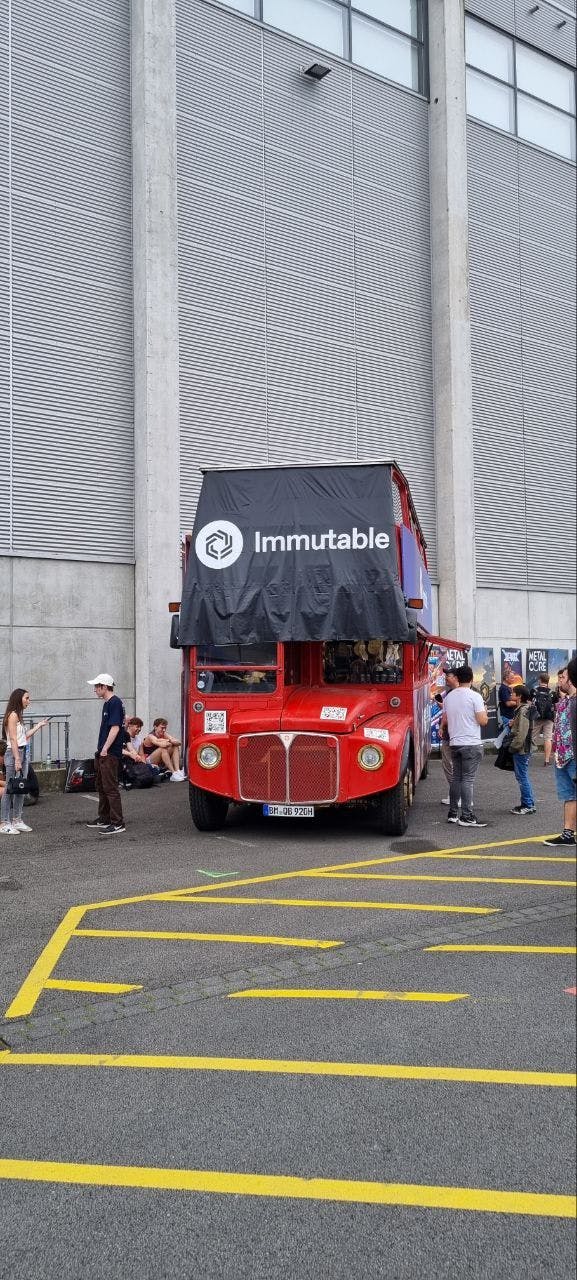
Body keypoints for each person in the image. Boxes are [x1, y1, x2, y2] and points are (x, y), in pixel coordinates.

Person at [442, 664, 488, 827]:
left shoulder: (449, 697)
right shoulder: (475, 696)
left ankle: (453, 813)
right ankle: (467, 816)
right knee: (468, 780)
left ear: (457, 678)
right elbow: (482, 721)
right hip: (471, 742)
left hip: (455, 742)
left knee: (456, 778)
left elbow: (446, 719)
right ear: (472, 678)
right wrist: (485, 714)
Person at [0, 689, 48, 834]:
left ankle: (17, 820)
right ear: (19, 698)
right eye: (27, 698)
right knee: (10, 789)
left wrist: (38, 726)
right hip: (15, 753)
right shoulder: (13, 715)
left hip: (22, 752)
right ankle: (4, 822)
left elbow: (23, 736)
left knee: (20, 788)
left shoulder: (18, 715)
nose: (29, 701)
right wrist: (17, 759)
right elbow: (13, 739)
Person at [86, 673, 126, 835]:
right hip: (104, 752)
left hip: (109, 753)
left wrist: (105, 749)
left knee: (110, 788)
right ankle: (105, 818)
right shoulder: (108, 703)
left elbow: (115, 727)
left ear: (104, 686)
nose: (95, 690)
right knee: (102, 786)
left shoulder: (114, 703)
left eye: (96, 686)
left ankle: (117, 822)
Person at [543, 660, 576, 848]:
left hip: (573, 756)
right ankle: (568, 834)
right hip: (562, 757)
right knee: (569, 795)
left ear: (571, 679)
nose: (559, 681)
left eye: (562, 677)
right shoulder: (564, 701)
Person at [508, 685, 537, 815]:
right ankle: (528, 803)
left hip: (522, 749)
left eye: (513, 692)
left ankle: (528, 804)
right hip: (524, 748)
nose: (511, 694)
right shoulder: (523, 709)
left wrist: (513, 747)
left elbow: (522, 733)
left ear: (519, 696)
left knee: (522, 777)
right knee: (522, 776)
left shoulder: (523, 710)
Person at [439, 668, 460, 806]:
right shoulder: (451, 693)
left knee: (450, 765)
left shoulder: (454, 694)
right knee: (457, 766)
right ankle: (457, 795)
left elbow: (448, 714)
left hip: (453, 735)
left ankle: (456, 796)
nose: (446, 678)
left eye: (449, 676)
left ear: (456, 677)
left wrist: (442, 726)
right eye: (446, 675)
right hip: (458, 735)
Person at [531, 674, 555, 765]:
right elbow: (555, 705)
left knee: (532, 738)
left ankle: (527, 758)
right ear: (548, 681)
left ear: (539, 680)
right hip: (549, 718)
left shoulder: (533, 691)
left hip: (536, 718)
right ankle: (546, 760)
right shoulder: (552, 693)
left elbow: (530, 704)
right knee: (548, 738)